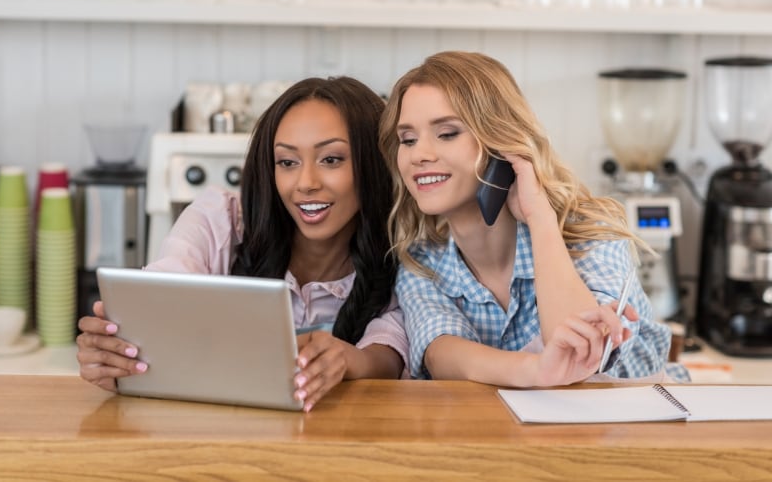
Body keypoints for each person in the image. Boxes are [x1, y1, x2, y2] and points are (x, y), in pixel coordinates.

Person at [77, 76, 408, 412]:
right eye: (287, 162)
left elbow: (387, 354)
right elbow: (164, 291)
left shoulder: (402, 249)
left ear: (374, 164)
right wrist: (116, 353)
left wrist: (347, 359)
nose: (305, 183)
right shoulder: (219, 219)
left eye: (332, 159)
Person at [378, 51, 689, 386]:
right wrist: (537, 370)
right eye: (407, 139)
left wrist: (539, 217)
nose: (419, 154)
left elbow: (582, 355)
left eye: (448, 133)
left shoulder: (590, 234)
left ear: (500, 143)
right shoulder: (422, 261)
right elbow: (441, 352)